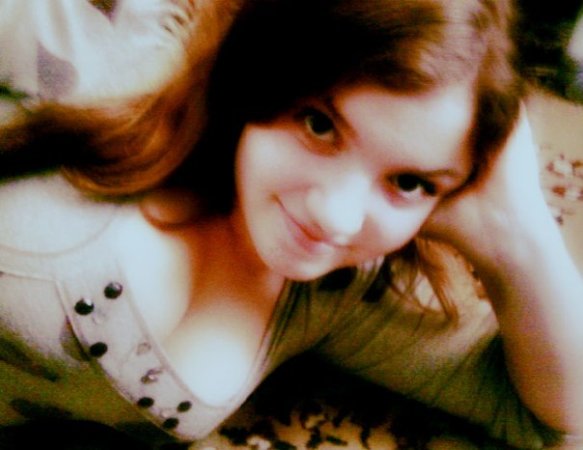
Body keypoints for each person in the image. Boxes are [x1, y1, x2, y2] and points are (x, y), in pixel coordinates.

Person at [0, 0, 582, 448]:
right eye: (319, 125)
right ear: (263, 68)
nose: (337, 217)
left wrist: (519, 236)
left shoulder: (333, 293)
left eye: (408, 181)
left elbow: (558, 413)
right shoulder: (103, 74)